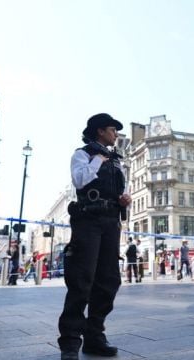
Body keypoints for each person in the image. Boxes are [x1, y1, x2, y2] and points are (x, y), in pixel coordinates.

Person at [58, 113, 131, 360]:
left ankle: (94, 336)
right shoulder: (83, 154)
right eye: (113, 130)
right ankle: (70, 343)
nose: (116, 135)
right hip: (88, 220)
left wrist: (124, 198)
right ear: (100, 131)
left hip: (111, 222)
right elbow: (80, 181)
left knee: (109, 281)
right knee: (81, 280)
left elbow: (121, 188)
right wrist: (98, 160)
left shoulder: (116, 161)